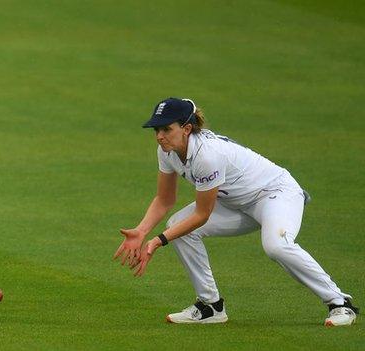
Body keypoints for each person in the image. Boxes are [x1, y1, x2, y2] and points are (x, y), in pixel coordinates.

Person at [114, 97, 358, 326]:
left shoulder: (207, 155)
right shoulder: (167, 151)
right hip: (236, 204)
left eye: (166, 129)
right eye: (156, 130)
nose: (159, 136)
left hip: (275, 194)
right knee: (178, 225)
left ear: (186, 129)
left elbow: (202, 215)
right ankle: (210, 307)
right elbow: (165, 199)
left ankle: (340, 303)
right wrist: (141, 230)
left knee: (275, 245)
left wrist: (156, 241)